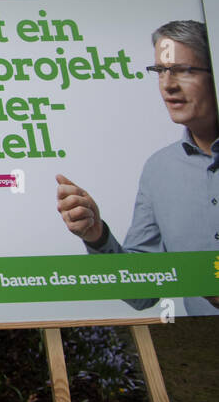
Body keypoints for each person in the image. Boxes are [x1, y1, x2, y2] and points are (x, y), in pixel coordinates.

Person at [56, 19, 219, 316]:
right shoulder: (159, 170)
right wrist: (97, 237)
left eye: (184, 70)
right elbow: (143, 292)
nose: (168, 85)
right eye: (160, 71)